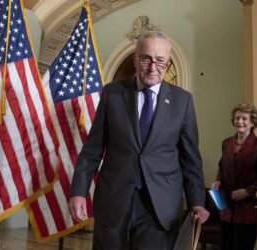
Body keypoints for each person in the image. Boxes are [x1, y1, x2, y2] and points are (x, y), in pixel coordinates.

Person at [68, 31, 209, 250]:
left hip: (160, 209)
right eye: (147, 59)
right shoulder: (112, 94)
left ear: (168, 62)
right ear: (136, 59)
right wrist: (78, 192)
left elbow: (190, 159)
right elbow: (91, 151)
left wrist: (197, 202)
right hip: (114, 201)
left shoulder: (183, 101)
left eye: (160, 60)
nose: (153, 67)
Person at [211, 103, 257, 250]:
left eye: (244, 119)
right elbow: (222, 166)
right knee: (225, 245)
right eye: (237, 118)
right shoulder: (226, 143)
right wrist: (218, 180)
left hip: (248, 208)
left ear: (252, 123)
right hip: (226, 205)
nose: (239, 121)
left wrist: (247, 191)